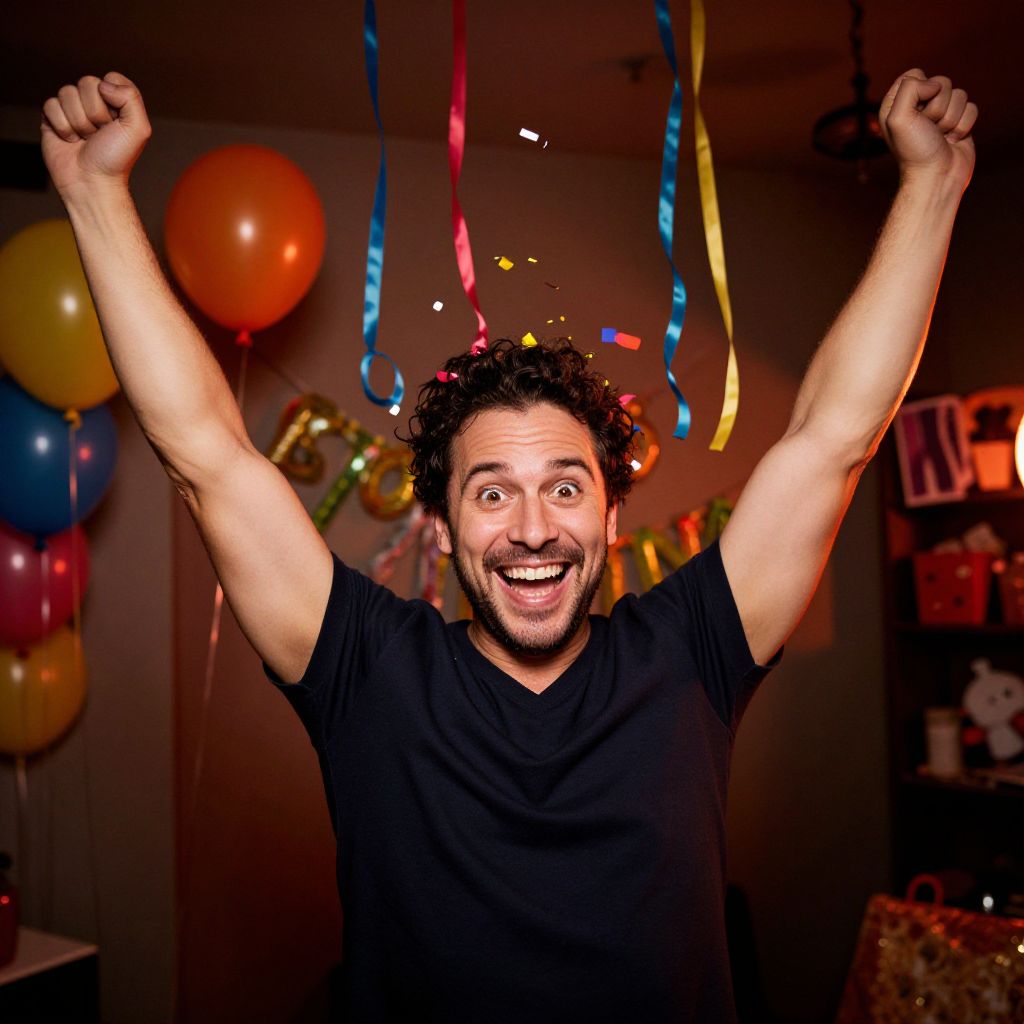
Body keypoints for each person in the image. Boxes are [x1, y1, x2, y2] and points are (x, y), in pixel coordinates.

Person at [40, 67, 976, 1023]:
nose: (533, 529)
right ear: (441, 527)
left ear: (611, 516)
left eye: (565, 488)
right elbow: (207, 452)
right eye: (493, 492)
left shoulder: (691, 652)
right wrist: (92, 191)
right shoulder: (367, 670)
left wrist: (932, 185)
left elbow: (835, 438)